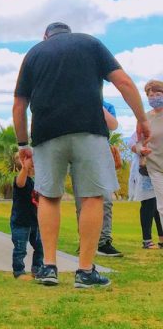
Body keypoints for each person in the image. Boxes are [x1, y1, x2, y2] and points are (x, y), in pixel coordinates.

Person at [13, 22, 150, 288]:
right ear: (69, 32)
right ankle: (85, 271)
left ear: (46, 36)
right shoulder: (90, 43)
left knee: (48, 197)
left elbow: (19, 105)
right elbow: (123, 81)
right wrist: (142, 119)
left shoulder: (34, 53)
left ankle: (49, 267)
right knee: (91, 197)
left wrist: (22, 145)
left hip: (46, 133)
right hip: (89, 130)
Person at [72, 102, 123, 257]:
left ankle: (103, 242)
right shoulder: (70, 99)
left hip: (101, 152)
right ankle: (85, 241)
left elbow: (111, 125)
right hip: (78, 152)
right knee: (83, 201)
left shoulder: (107, 106)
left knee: (106, 200)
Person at [127, 127, 163, 249]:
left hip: (159, 170)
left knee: (159, 207)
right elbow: (131, 143)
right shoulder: (146, 128)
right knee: (149, 205)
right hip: (146, 173)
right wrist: (142, 150)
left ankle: (161, 238)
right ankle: (147, 240)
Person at [11, 155, 44, 278]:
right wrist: (25, 168)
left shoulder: (33, 182)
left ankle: (37, 269)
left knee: (40, 247)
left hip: (34, 222)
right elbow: (20, 183)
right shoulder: (20, 181)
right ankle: (19, 271)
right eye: (33, 164)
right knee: (20, 249)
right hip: (20, 222)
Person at [140, 79, 163, 235]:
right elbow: (138, 141)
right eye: (150, 95)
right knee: (161, 206)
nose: (153, 97)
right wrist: (140, 148)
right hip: (155, 166)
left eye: (157, 94)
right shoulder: (145, 118)